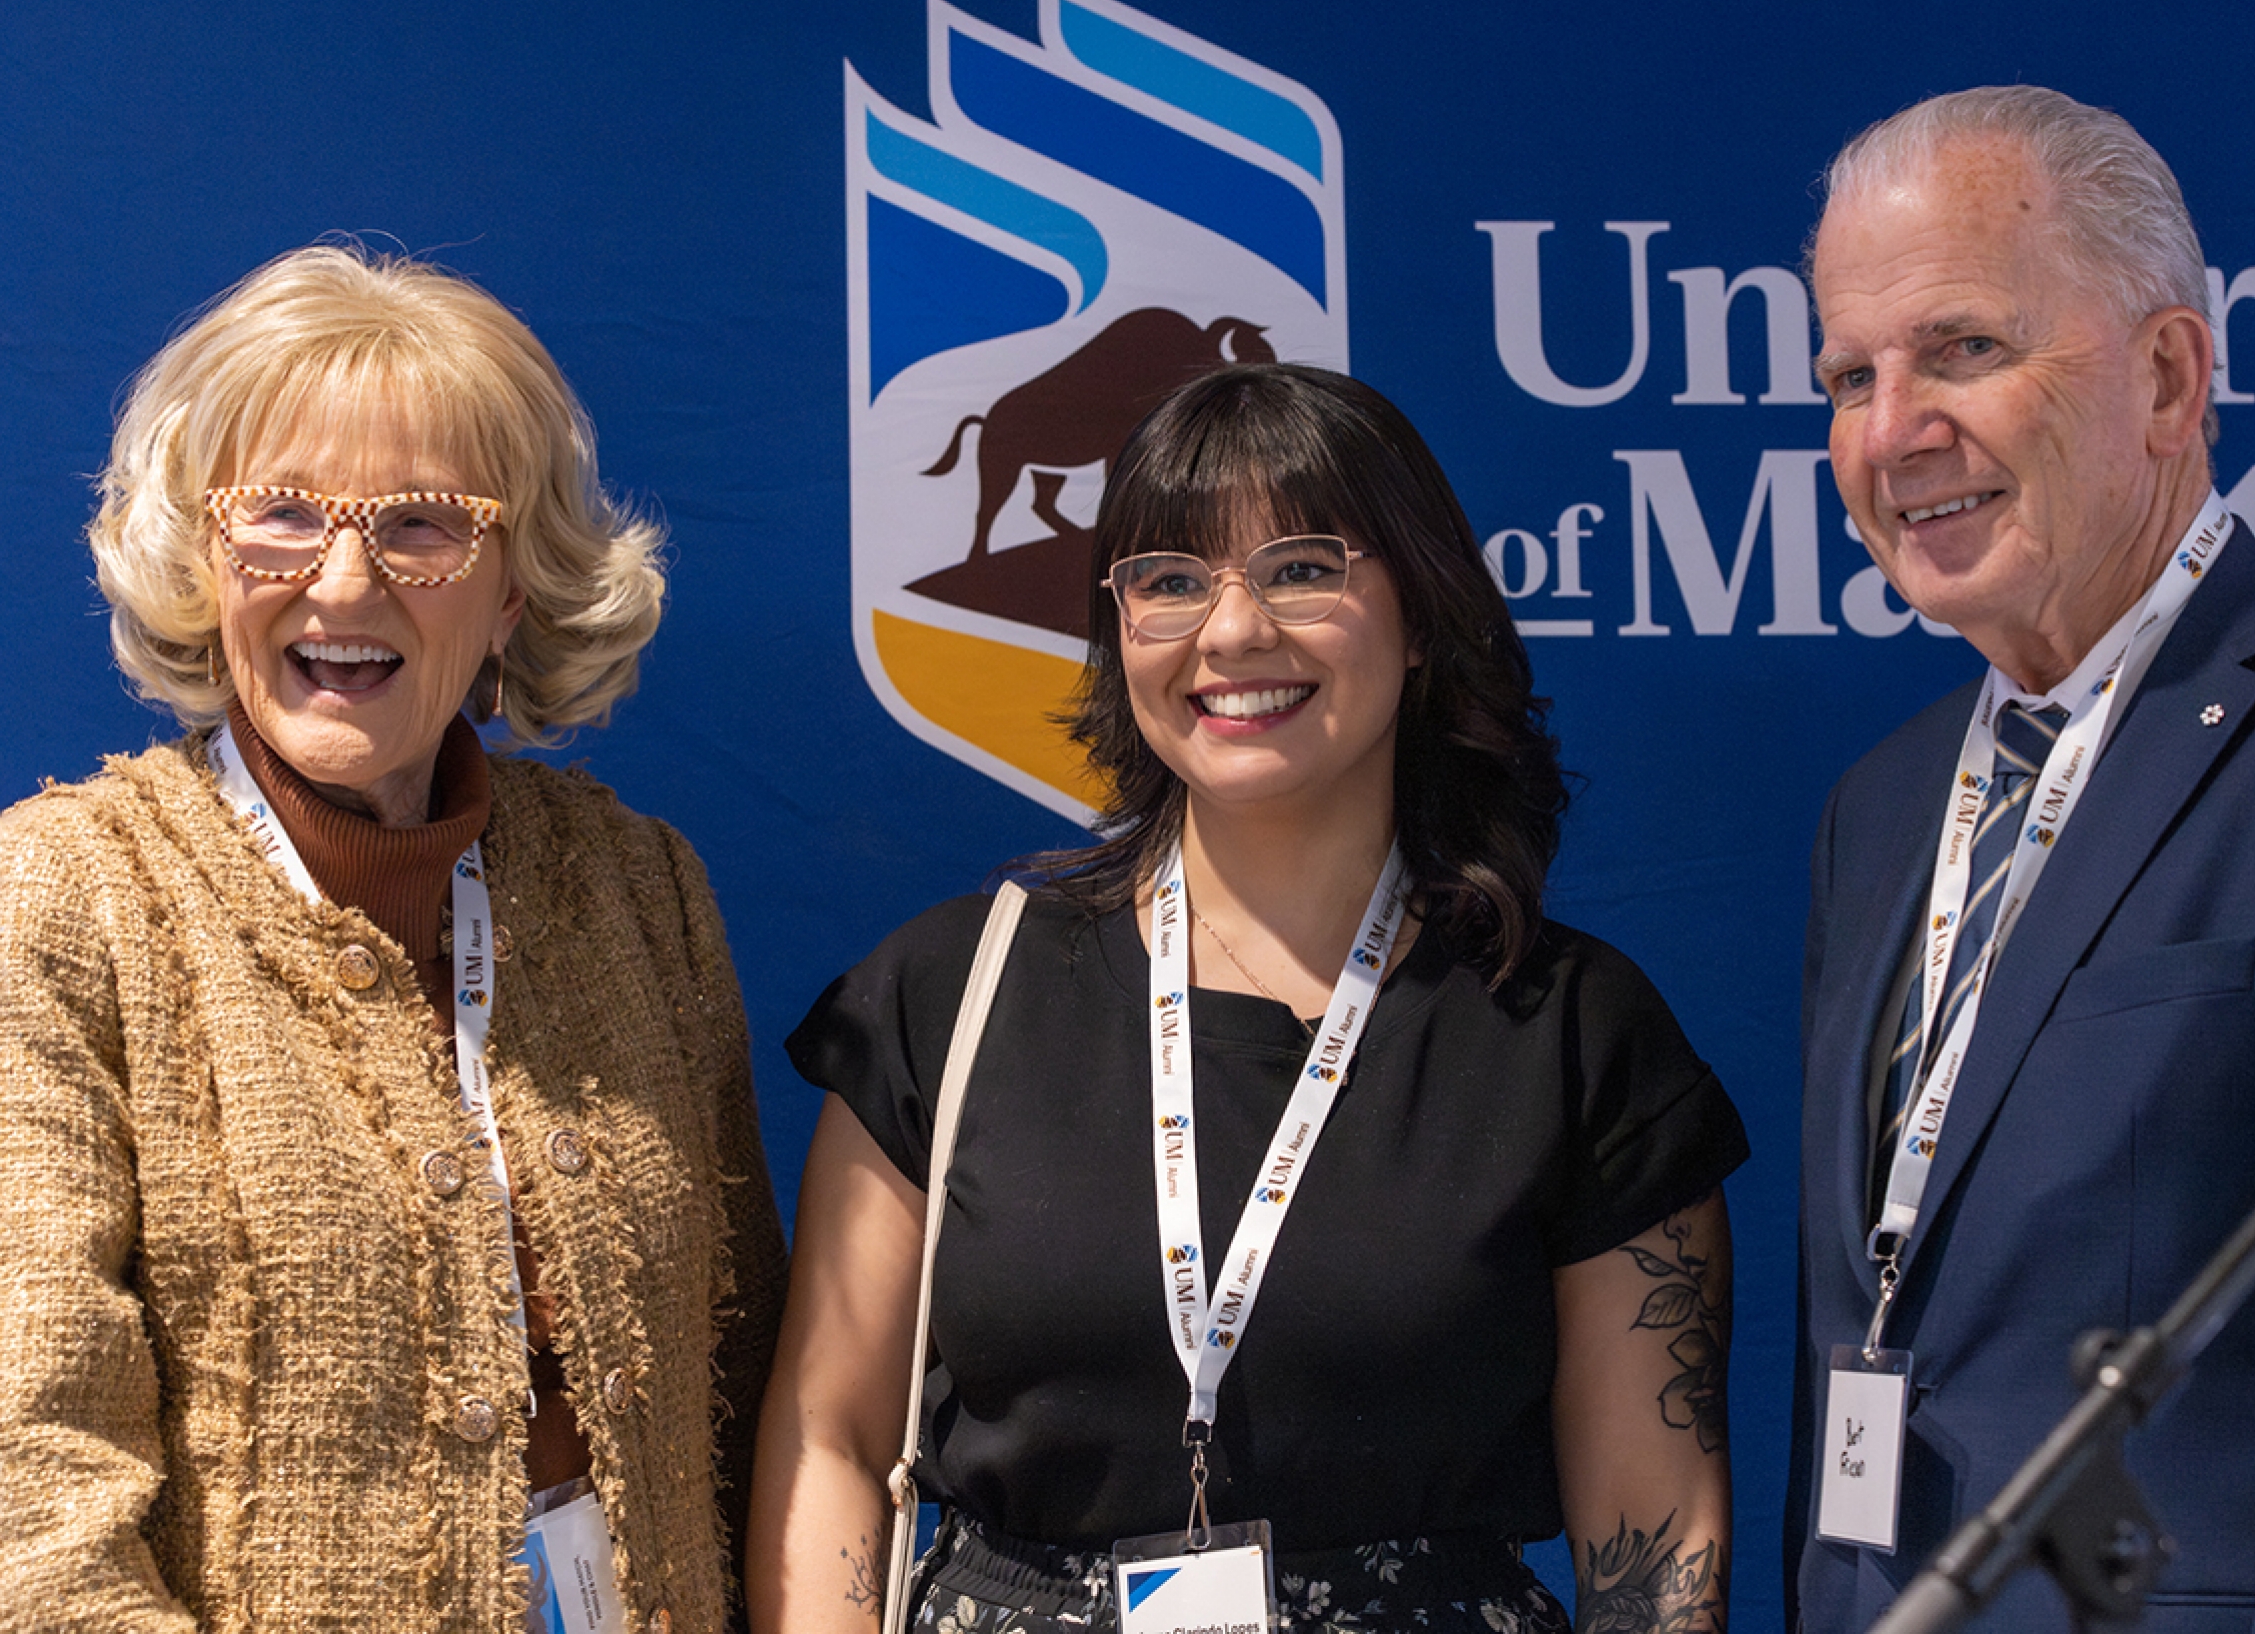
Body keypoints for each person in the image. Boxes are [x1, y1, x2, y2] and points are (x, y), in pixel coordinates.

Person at [746, 363, 1749, 1634]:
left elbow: (1652, 1530)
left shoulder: (1570, 1030)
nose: (1230, 633)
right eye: (1169, 580)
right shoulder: (951, 993)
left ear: (1423, 614)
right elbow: (831, 1440)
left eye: (1302, 568)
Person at [0, 245, 787, 1634]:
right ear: (203, 560)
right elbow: (22, 1524)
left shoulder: (641, 891)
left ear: (513, 588)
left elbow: (749, 1399)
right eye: (281, 517)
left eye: (424, 525)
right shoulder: (60, 895)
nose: (344, 582)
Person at [1790, 86, 2255, 1631]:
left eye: (1964, 347)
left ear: (2169, 376)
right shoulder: (1880, 809)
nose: (1891, 432)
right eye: (1849, 374)